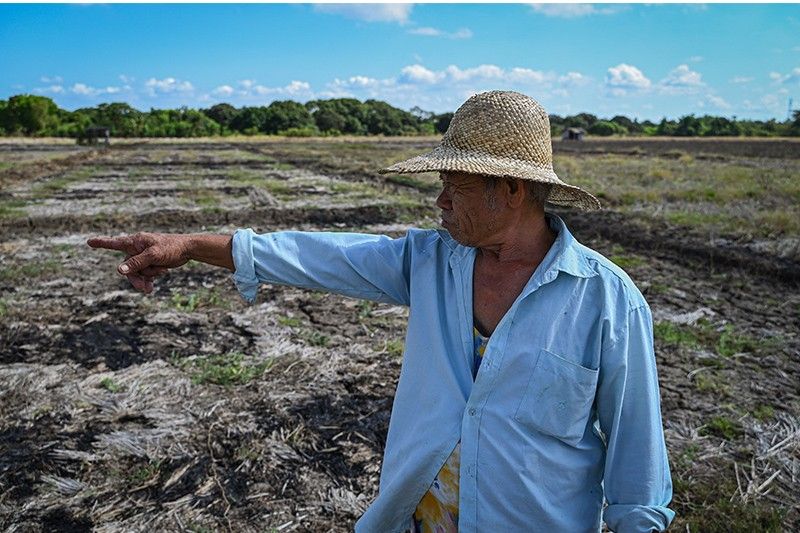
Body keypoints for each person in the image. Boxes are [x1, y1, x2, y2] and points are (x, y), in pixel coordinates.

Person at [88, 91, 674, 532]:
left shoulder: (606, 301)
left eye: (455, 184)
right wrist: (191, 247)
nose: (440, 200)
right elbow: (314, 255)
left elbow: (637, 463)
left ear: (512, 190)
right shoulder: (430, 263)